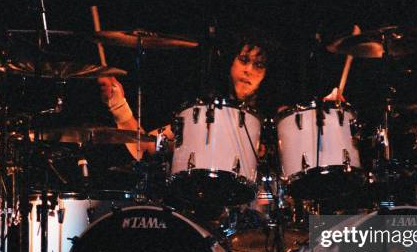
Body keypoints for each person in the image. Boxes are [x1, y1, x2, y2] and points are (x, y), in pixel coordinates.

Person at [97, 30, 281, 161]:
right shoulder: (202, 114)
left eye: (259, 65)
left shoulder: (278, 120)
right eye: (244, 60)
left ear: (267, 74)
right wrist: (117, 103)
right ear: (231, 63)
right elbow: (145, 148)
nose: (248, 70)